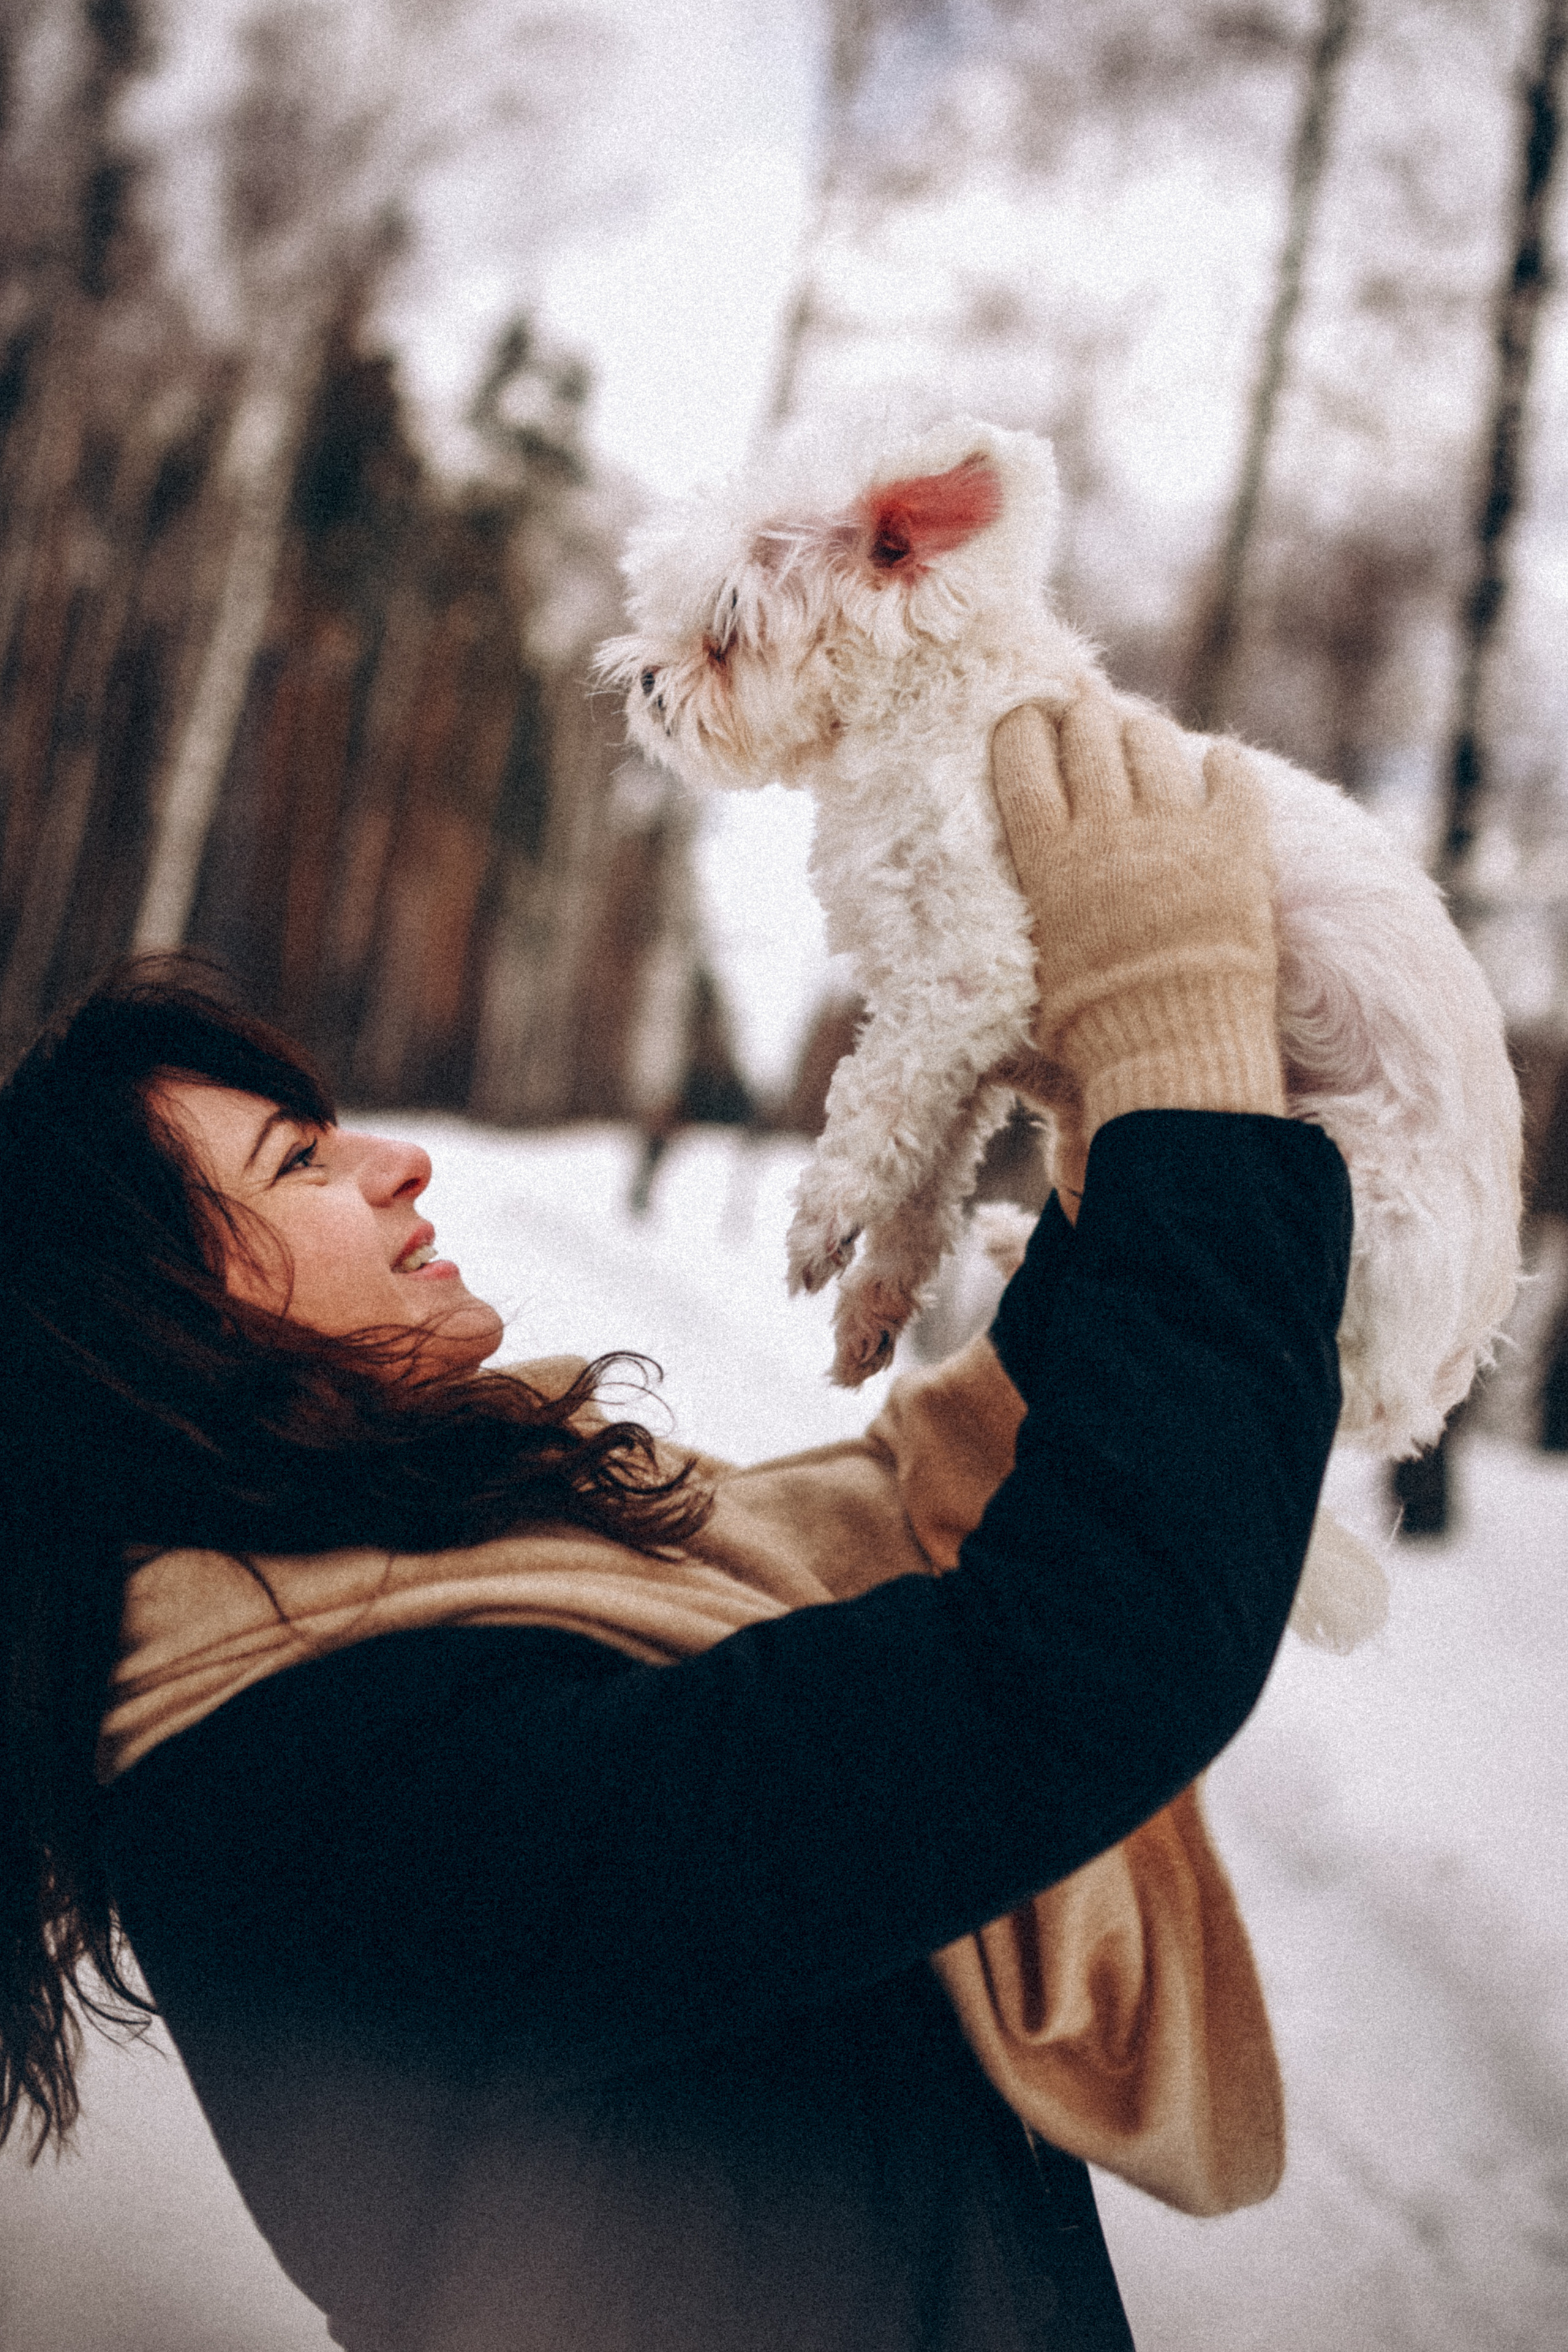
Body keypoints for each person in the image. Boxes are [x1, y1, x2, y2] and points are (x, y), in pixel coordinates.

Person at [0, 691, 1351, 2351]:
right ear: (153, 1332)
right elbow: (1061, 1666)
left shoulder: (406, 1628)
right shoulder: (328, 1795)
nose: (400, 1162)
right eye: (298, 1165)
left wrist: (1118, 1150)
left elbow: (899, 1533)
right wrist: (1183, 1069)